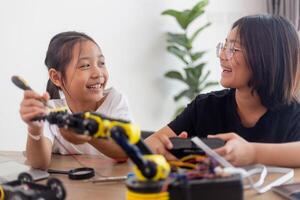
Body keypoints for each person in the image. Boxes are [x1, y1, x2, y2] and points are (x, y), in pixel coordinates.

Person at [145, 14, 300, 167]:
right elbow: (150, 144)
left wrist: (252, 153)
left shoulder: (294, 114)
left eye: (233, 48)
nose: (221, 55)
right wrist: (163, 150)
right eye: (224, 46)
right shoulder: (205, 106)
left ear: (266, 58)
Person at [19, 31, 129, 170]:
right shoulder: (51, 111)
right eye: (85, 65)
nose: (98, 73)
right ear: (56, 78)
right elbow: (39, 164)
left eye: (101, 63)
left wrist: (88, 133)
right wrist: (35, 129)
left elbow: (125, 151)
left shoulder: (115, 101)